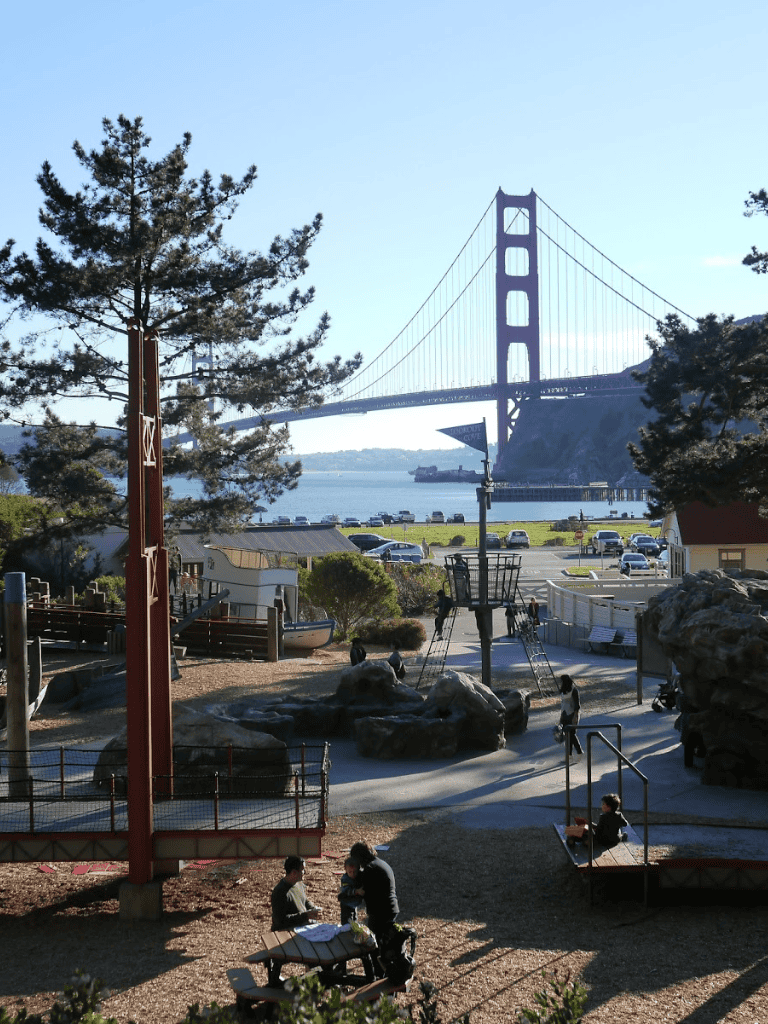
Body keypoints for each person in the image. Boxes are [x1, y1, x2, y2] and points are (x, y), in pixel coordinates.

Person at [350, 840, 399, 972]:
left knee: (372, 945)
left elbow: (363, 891)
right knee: (383, 945)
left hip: (380, 912)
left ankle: (378, 974)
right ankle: (384, 971)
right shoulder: (380, 863)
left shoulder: (370, 868)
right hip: (389, 908)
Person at [270, 855, 322, 932]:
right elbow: (280, 921)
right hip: (287, 931)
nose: (305, 872)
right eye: (303, 870)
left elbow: (304, 900)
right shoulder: (280, 892)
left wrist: (313, 909)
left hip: (301, 924)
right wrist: (306, 916)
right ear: (294, 872)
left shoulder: (298, 883)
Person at [559, 674, 583, 759]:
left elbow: (577, 706)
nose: (560, 683)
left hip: (572, 714)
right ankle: (569, 755)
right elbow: (563, 704)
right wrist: (561, 718)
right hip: (564, 714)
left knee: (572, 735)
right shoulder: (563, 691)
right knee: (567, 736)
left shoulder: (574, 691)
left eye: (562, 681)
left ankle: (579, 752)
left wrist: (575, 717)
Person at [338, 856, 365, 924]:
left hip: (353, 902)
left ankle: (354, 927)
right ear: (346, 870)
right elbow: (346, 891)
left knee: (354, 918)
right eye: (350, 872)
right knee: (347, 920)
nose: (352, 874)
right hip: (346, 902)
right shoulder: (345, 879)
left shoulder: (358, 876)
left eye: (355, 872)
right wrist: (356, 891)